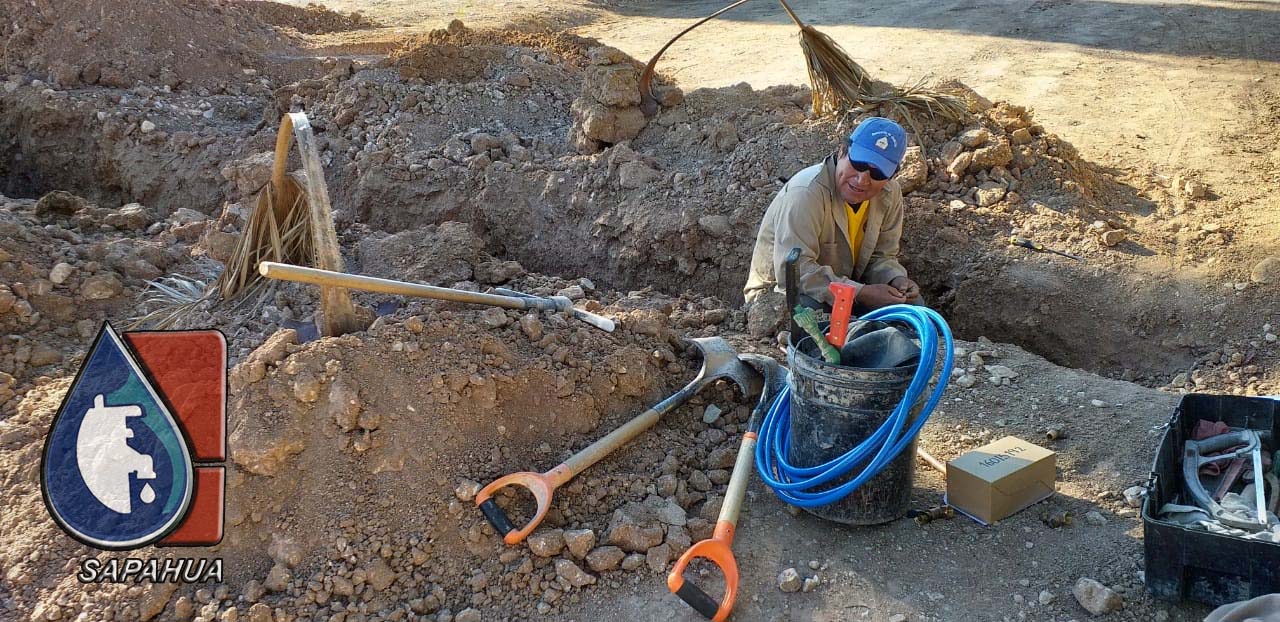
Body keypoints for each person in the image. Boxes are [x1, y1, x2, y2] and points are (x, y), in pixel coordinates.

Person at [743, 117, 921, 314]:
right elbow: (794, 273)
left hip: (846, 290)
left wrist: (894, 279)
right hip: (781, 296)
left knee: (914, 307)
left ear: (891, 176)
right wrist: (861, 293)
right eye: (859, 164)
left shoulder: (889, 194)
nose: (862, 179)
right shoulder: (806, 194)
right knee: (809, 310)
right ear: (843, 151)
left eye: (877, 173)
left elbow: (882, 256)